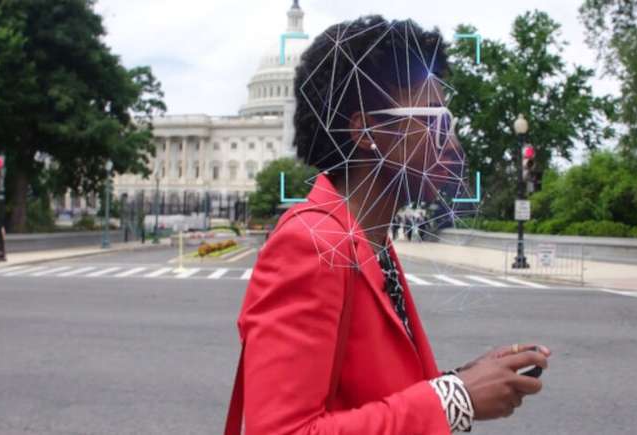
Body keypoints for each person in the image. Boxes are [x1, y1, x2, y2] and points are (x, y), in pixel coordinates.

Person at [226, 15, 551, 435]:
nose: (452, 145)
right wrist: (454, 399)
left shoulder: (367, 240)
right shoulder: (312, 245)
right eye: (435, 121)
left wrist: (460, 380)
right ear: (366, 131)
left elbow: (370, 395)